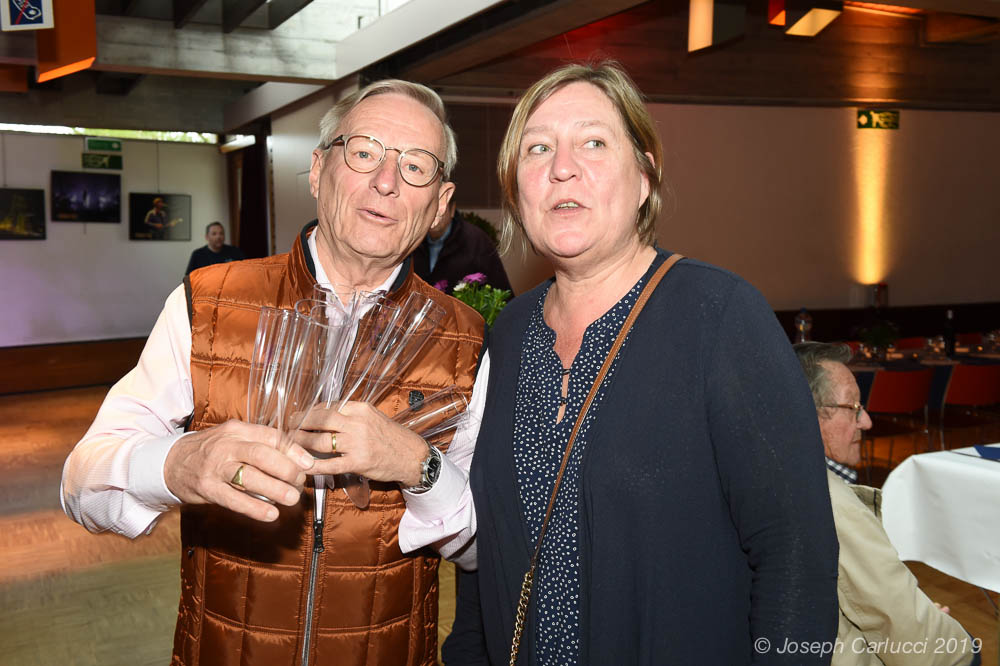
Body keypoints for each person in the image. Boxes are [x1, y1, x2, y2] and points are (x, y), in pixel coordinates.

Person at [61, 79, 486, 666]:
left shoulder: (465, 340)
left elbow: (481, 550)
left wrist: (420, 467)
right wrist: (176, 463)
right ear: (318, 170)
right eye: (364, 152)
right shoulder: (209, 303)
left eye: (415, 167)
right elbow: (81, 483)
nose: (386, 181)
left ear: (440, 203)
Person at [443, 62, 839, 665]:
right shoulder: (510, 333)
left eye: (593, 143)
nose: (561, 167)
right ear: (516, 191)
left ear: (644, 178)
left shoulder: (720, 316)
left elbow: (797, 559)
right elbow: (490, 543)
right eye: (538, 148)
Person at [793, 342, 980, 666]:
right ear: (808, 414)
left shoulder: (762, 473)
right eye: (853, 408)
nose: (866, 422)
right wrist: (959, 645)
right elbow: (902, 625)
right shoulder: (830, 502)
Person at [412, 196, 513, 294]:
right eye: (429, 208)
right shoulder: (413, 240)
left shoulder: (476, 240)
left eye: (440, 208)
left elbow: (500, 290)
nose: (434, 214)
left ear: (452, 209)